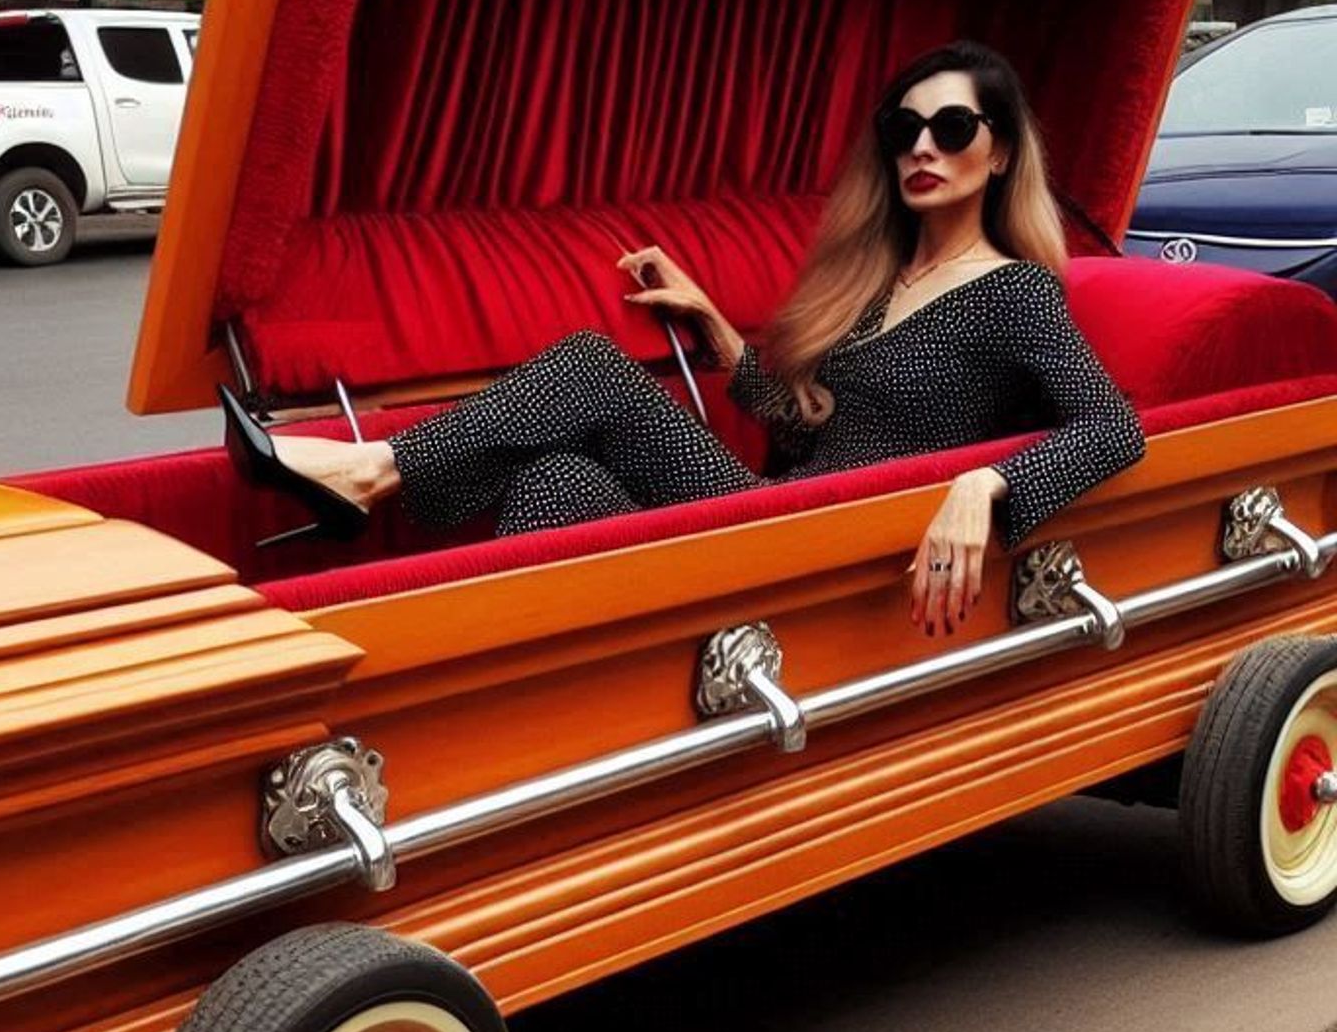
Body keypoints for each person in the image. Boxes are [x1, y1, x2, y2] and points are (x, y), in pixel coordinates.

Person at [221, 40, 1145, 638]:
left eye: (952, 128)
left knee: (589, 365)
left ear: (1004, 151)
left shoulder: (1015, 294)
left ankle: (372, 474)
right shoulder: (878, 283)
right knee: (559, 483)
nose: (923, 149)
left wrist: (985, 483)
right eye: (904, 129)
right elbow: (808, 435)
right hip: (778, 513)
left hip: (826, 557)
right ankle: (534, 694)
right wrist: (715, 331)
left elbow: (1115, 427)